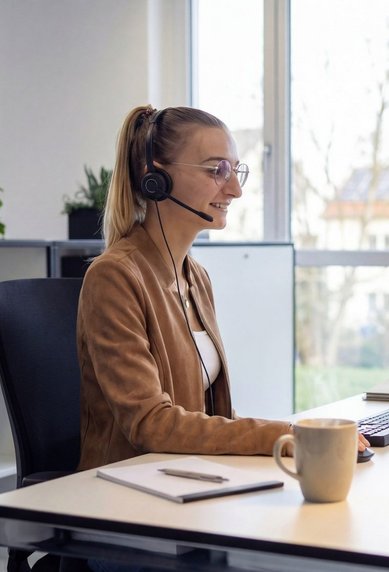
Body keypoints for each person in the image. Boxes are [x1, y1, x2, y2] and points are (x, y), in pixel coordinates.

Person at [77, 105, 369, 572]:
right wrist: (284, 434)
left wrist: (302, 438)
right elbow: (150, 425)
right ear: (156, 178)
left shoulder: (196, 277)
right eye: (217, 171)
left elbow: (208, 417)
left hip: (190, 491)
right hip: (127, 512)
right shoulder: (115, 277)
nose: (233, 189)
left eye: (236, 171)